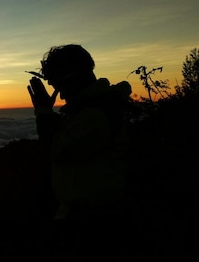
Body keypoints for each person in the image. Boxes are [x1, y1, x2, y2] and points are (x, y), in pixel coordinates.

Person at [27, 44, 132, 260]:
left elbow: (57, 149)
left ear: (72, 76)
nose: (57, 89)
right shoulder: (88, 109)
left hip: (94, 223)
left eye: (56, 81)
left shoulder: (97, 114)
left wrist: (44, 112)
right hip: (81, 216)